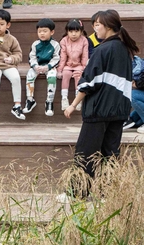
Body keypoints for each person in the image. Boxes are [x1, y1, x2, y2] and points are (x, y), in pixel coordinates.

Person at [64, 9, 139, 198]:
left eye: (98, 24)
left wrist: (73, 104)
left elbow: (89, 82)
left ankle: (77, 194)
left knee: (86, 153)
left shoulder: (102, 50)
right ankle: (108, 195)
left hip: (99, 110)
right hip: (119, 110)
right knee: (110, 155)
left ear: (108, 26)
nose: (95, 28)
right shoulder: (125, 49)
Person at [24, 18, 60, 117]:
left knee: (52, 77)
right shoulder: (35, 44)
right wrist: (35, 66)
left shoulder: (55, 45)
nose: (42, 34)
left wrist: (48, 67)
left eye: (45, 31)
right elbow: (32, 57)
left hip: (49, 66)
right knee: (30, 75)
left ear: (52, 32)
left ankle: (49, 102)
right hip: (37, 66)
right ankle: (30, 100)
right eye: (39, 31)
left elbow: (56, 58)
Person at [58, 19, 88, 111]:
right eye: (71, 31)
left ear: (81, 31)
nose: (73, 34)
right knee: (66, 74)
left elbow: (84, 55)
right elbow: (63, 56)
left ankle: (77, 99)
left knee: (78, 76)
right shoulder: (64, 41)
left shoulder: (84, 41)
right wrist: (60, 69)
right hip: (68, 65)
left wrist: (84, 68)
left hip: (79, 65)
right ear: (67, 32)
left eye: (76, 31)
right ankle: (64, 98)